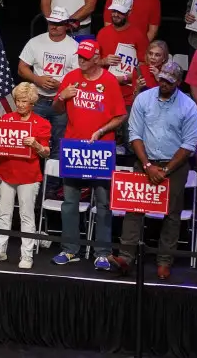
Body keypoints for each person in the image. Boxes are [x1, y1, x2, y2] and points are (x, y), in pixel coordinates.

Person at [110, 62, 197, 279]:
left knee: (172, 213)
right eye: (162, 79)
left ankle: (164, 260)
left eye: (169, 81)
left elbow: (188, 145)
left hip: (175, 165)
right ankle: (126, 258)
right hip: (145, 161)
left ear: (178, 82)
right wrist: (148, 166)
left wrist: (166, 170)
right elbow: (135, 134)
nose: (164, 84)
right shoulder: (144, 98)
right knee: (133, 209)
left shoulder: (188, 106)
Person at [51, 39, 128, 269]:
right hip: (74, 149)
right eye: (79, 57)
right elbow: (56, 109)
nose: (81, 60)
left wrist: (102, 130)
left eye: (86, 57)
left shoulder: (109, 81)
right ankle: (70, 250)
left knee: (104, 204)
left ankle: (103, 253)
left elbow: (121, 115)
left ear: (96, 58)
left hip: (101, 150)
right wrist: (62, 96)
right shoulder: (71, 77)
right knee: (70, 201)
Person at [0, 82, 52, 269]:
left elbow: (46, 152)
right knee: (3, 214)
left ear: (32, 103)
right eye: (18, 101)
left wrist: (36, 145)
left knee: (26, 216)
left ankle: (27, 255)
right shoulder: (7, 118)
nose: (20, 104)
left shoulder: (42, 124)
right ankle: (0, 250)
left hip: (28, 176)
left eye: (24, 101)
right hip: (6, 173)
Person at [17, 6, 77, 188]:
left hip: (61, 103)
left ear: (66, 25)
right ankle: (29, 182)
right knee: (30, 141)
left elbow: (78, 78)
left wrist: (61, 85)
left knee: (58, 146)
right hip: (38, 100)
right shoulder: (35, 42)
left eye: (59, 24)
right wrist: (38, 79)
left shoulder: (74, 47)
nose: (54, 26)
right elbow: (22, 68)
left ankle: (51, 188)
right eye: (51, 23)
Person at [96, 0, 151, 108]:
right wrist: (104, 61)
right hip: (103, 93)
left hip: (128, 97)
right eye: (113, 11)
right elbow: (92, 62)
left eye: (120, 12)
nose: (115, 15)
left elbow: (144, 67)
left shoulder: (139, 36)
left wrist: (124, 78)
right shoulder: (102, 33)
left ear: (129, 13)